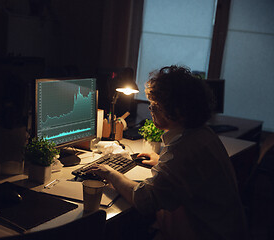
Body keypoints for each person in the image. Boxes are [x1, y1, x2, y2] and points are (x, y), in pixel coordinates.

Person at [86, 66, 249, 239]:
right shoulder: (203, 134)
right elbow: (189, 173)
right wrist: (161, 162)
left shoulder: (183, 150)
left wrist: (110, 173)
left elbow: (145, 200)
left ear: (177, 112)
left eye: (156, 105)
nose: (151, 109)